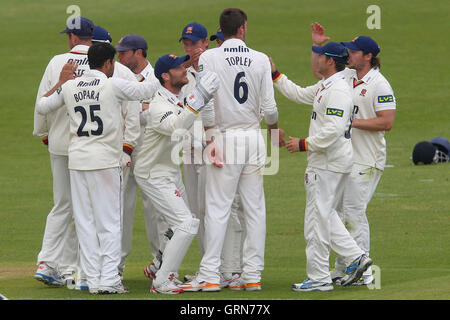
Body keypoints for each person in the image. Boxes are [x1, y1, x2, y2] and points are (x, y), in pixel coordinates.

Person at [36, 42, 161, 294]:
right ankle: (109, 281)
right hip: (105, 161)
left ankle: (91, 280)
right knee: (110, 222)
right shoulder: (112, 84)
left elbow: (42, 106)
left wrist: (61, 82)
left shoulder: (70, 86)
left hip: (77, 163)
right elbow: (148, 88)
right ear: (107, 63)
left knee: (84, 222)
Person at [180, 8, 284, 292]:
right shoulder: (261, 59)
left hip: (224, 137)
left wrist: (211, 136)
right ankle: (252, 276)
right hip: (253, 137)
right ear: (243, 29)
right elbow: (271, 108)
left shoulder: (210, 57)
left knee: (217, 207)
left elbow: (207, 100)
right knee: (254, 209)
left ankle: (211, 274)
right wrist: (273, 131)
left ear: (221, 31)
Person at [271, 41, 372, 291]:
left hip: (328, 163)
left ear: (330, 61)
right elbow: (297, 93)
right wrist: (275, 75)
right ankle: (356, 257)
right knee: (326, 217)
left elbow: (334, 130)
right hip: (331, 162)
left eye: (319, 56)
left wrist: (304, 143)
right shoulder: (325, 86)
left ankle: (319, 277)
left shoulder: (337, 90)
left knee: (317, 221)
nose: (314, 59)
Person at [310, 23, 396, 285]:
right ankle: (346, 267)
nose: (350, 54)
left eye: (355, 51)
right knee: (335, 212)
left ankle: (364, 271)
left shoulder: (379, 85)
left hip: (367, 160)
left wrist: (351, 122)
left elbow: (387, 122)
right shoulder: (346, 76)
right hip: (346, 158)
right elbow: (323, 75)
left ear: (368, 56)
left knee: (353, 214)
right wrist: (319, 46)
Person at [132, 53, 219, 294]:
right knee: (186, 224)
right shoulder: (159, 106)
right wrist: (198, 99)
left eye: (184, 65)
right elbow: (176, 127)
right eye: (179, 68)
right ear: (165, 76)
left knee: (179, 223)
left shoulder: (176, 98)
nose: (184, 70)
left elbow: (183, 131)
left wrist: (204, 147)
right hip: (152, 174)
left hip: (168, 171)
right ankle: (162, 282)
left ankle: (159, 263)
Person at [178, 22, 243, 288]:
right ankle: (210, 269)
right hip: (189, 151)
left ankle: (234, 268)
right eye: (186, 43)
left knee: (226, 209)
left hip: (215, 149)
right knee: (198, 212)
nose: (190, 48)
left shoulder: (217, 69)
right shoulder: (180, 73)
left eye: (194, 43)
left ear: (207, 42)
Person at [33, 16, 95, 288]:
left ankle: (49, 263)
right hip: (93, 147)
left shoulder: (57, 62)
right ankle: (76, 270)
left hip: (60, 144)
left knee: (62, 206)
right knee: (88, 209)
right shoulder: (101, 61)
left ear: (71, 37)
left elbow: (41, 103)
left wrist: (43, 133)